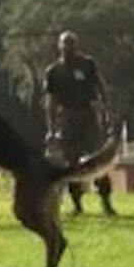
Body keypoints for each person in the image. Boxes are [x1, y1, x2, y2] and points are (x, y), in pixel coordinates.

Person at [43, 30, 116, 216]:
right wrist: (51, 128)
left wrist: (106, 111)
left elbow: (101, 87)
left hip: (88, 114)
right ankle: (77, 204)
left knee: (97, 159)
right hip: (67, 117)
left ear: (77, 46)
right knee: (71, 163)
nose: (67, 47)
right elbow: (51, 102)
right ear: (59, 46)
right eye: (64, 43)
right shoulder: (54, 71)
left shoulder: (87, 65)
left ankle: (106, 202)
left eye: (71, 43)